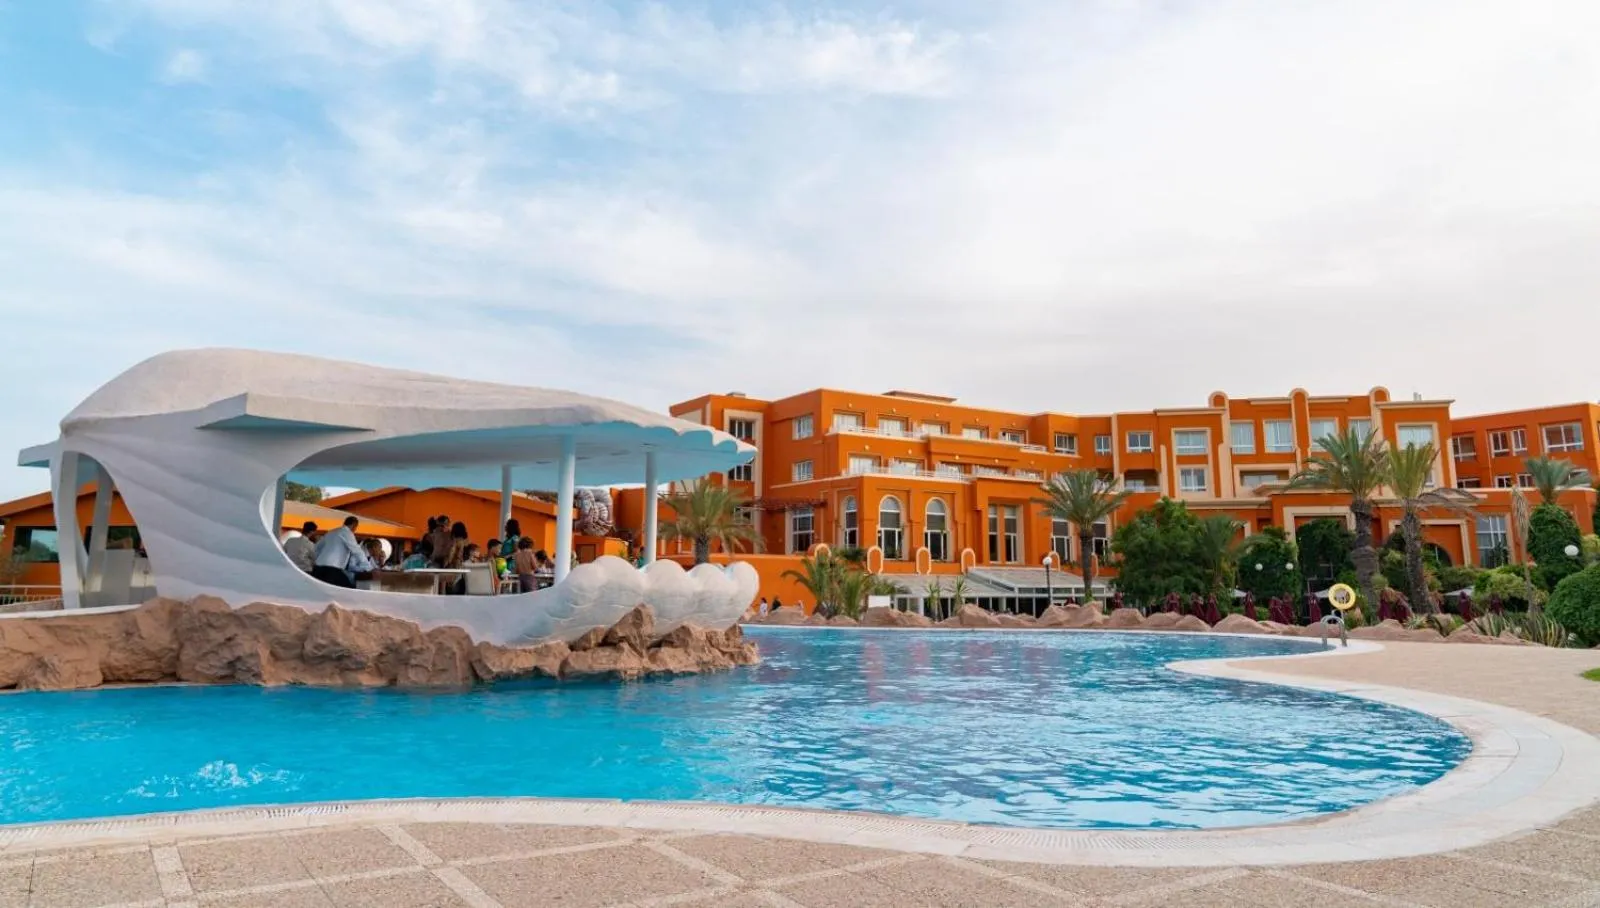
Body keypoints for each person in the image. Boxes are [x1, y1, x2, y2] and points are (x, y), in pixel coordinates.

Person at [311, 516, 372, 588]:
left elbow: (316, 548)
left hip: (318, 568)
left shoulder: (331, 532)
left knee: (318, 590)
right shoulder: (347, 533)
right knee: (348, 589)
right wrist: (368, 567)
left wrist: (316, 561)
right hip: (332, 569)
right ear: (354, 525)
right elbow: (356, 550)